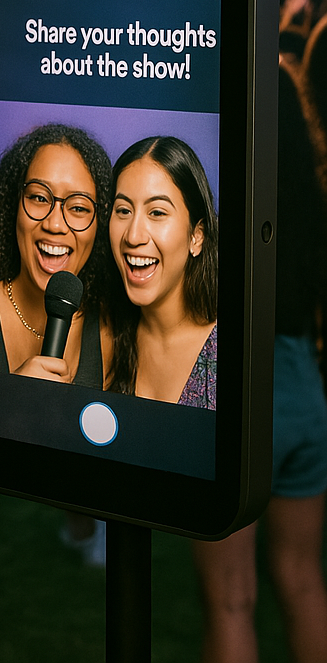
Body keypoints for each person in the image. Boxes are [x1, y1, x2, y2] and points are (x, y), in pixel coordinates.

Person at [190, 62, 327, 663]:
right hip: (302, 393)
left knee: (230, 599)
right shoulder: (309, 200)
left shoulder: (215, 206)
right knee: (301, 578)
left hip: (234, 396)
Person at [0, 123, 113, 386]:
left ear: (99, 225)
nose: (55, 224)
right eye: (38, 198)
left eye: (78, 208)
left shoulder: (110, 331)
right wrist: (12, 398)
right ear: (13, 204)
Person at [103, 135, 218, 409]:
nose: (133, 235)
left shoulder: (235, 351)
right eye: (123, 210)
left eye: (157, 213)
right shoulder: (105, 335)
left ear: (196, 237)